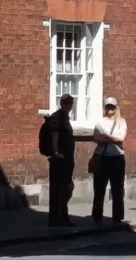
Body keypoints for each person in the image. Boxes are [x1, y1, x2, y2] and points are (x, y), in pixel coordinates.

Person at [91, 97, 127, 225]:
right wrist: (112, 139)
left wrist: (105, 136)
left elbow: (121, 139)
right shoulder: (100, 122)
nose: (110, 109)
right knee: (99, 188)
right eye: (108, 107)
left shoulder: (122, 122)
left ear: (116, 108)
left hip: (117, 158)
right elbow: (96, 138)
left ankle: (117, 216)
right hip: (101, 157)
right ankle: (97, 215)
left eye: (112, 107)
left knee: (117, 188)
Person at [48, 94, 75, 228]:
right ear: (61, 103)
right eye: (66, 102)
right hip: (60, 159)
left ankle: (62, 214)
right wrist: (56, 152)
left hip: (67, 159)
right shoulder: (57, 117)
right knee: (60, 188)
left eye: (70, 103)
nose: (68, 105)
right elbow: (54, 135)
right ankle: (58, 217)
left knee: (67, 187)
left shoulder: (65, 118)